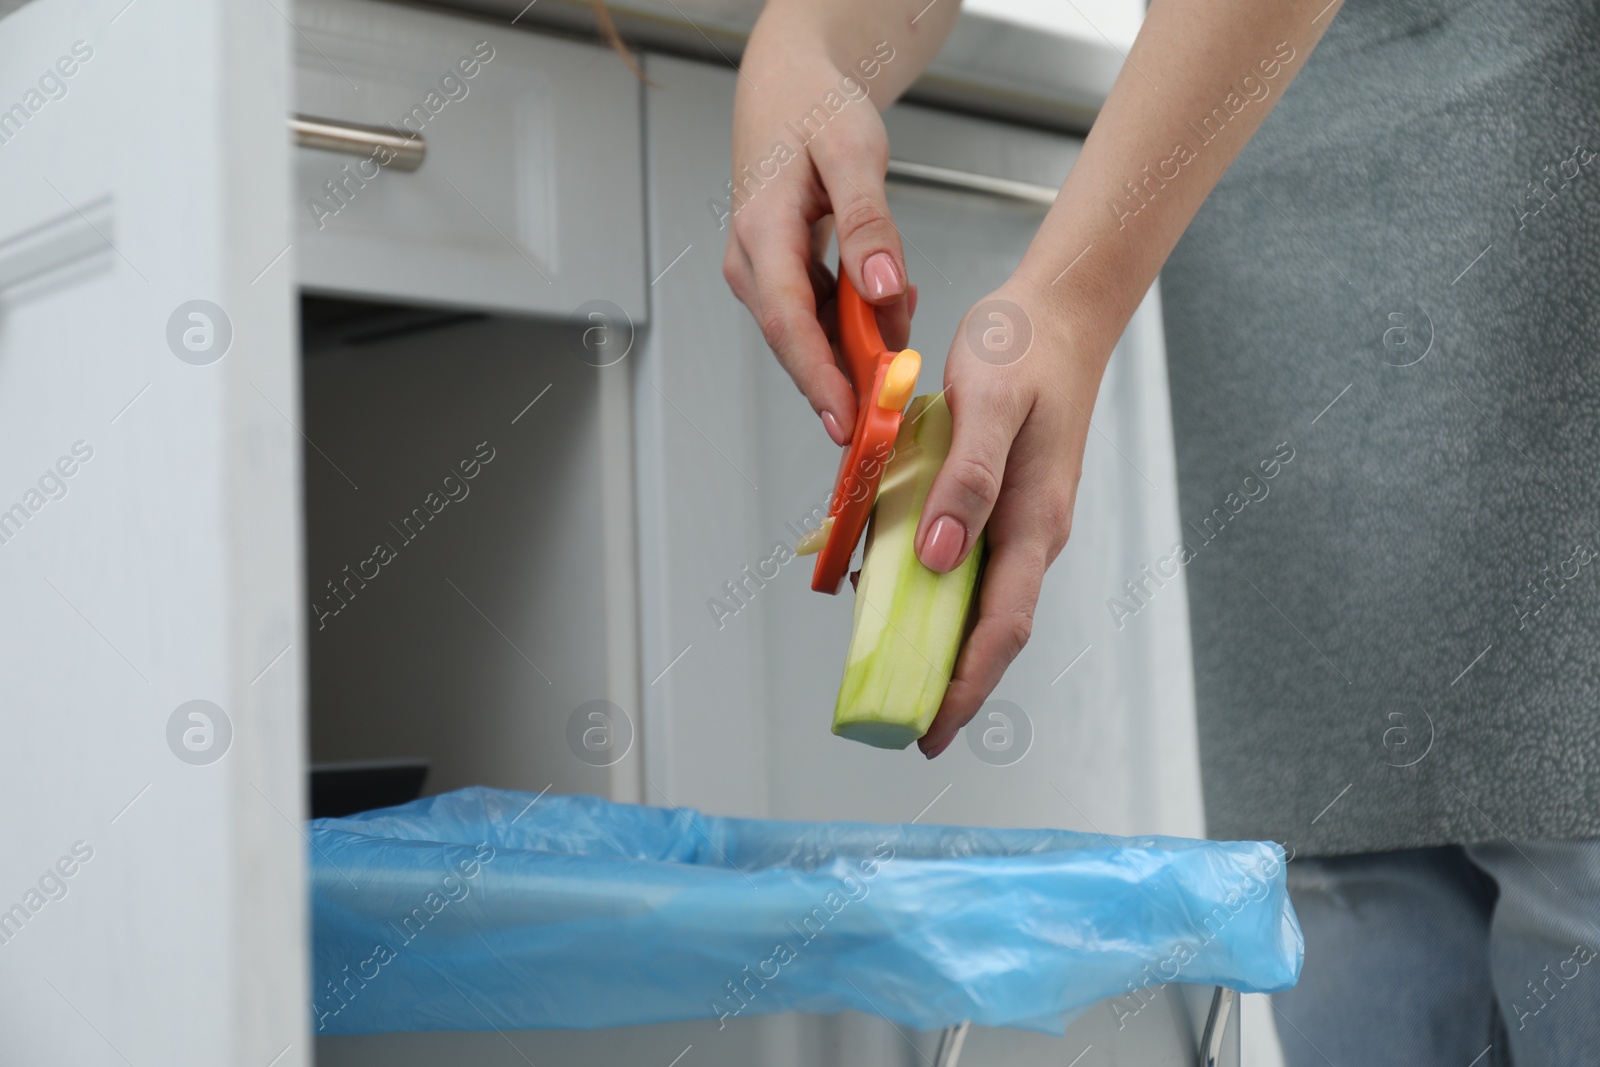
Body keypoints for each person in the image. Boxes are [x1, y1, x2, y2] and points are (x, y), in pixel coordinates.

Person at [720, 0, 1600, 1063]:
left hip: (1553, 201)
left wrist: (1070, 295)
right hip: (1262, 221)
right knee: (1354, 882)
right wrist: (799, 51)